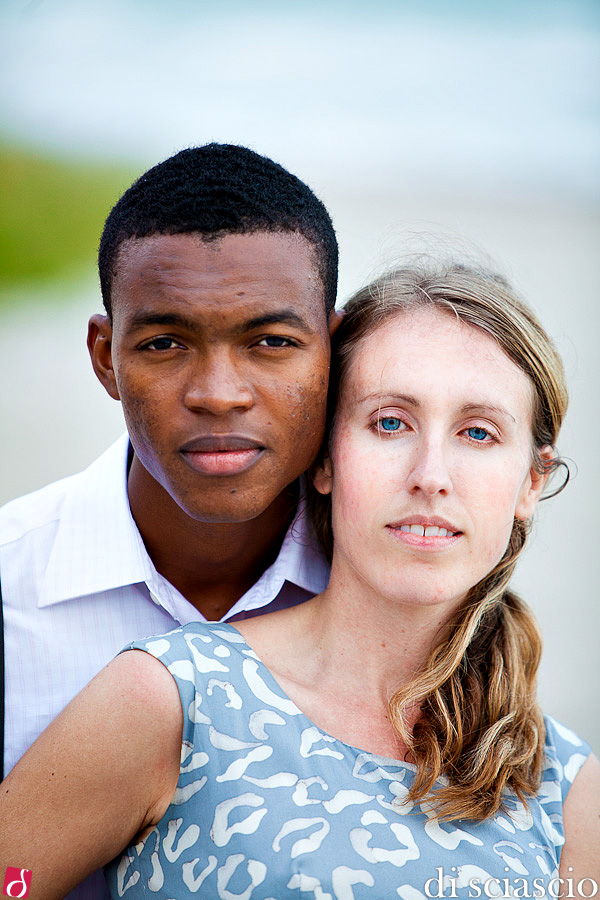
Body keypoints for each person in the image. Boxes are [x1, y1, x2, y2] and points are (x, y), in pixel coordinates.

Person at [2, 261, 598, 899]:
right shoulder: (175, 699)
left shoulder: (568, 788)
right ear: (325, 459)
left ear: (531, 482)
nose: (432, 475)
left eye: (478, 433)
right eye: (390, 423)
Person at [0, 143, 341, 899]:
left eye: (272, 342)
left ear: (334, 351)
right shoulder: (10, 588)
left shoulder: (385, 593)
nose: (219, 394)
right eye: (164, 343)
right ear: (105, 358)